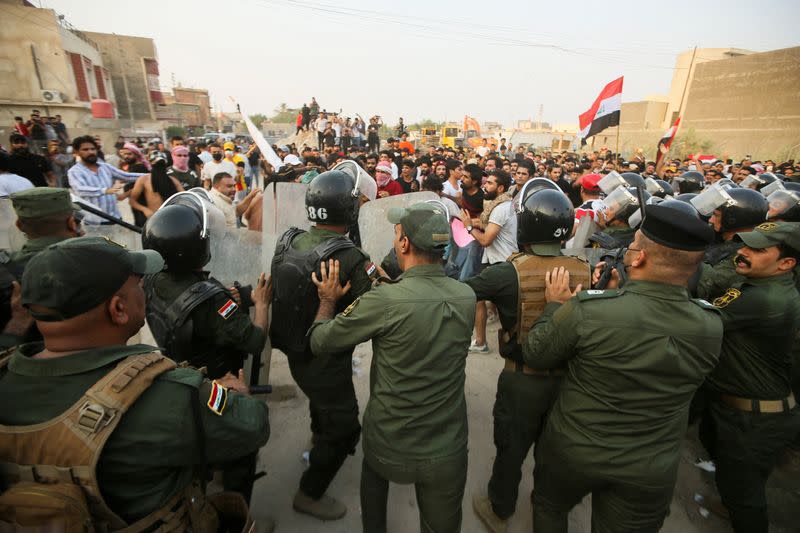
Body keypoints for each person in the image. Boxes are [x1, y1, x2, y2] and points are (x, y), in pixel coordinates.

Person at [0, 236, 269, 529]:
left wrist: (15, 328)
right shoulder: (170, 395)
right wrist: (239, 393)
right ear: (118, 309)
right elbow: (253, 426)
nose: (146, 286)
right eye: (137, 284)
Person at [523, 204, 721, 533]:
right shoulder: (712, 324)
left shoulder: (589, 311)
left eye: (631, 246)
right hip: (651, 465)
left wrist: (555, 307)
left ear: (638, 258)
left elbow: (537, 354)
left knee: (549, 507)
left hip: (575, 450)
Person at [309, 203, 476, 533]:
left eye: (397, 233)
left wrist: (327, 300)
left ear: (403, 245)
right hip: (447, 446)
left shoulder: (384, 301)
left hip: (388, 441)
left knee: (374, 492)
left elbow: (320, 341)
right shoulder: (466, 296)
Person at [467, 188, 590, 533]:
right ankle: (546, 509)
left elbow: (461, 293)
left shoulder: (508, 273)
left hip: (522, 380)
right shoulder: (585, 269)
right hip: (570, 382)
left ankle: (499, 509)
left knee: (511, 448)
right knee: (554, 452)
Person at [269, 169, 373, 520]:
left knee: (321, 403)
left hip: (293, 351)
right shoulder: (350, 258)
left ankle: (318, 436)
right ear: (349, 210)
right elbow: (373, 308)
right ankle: (309, 493)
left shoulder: (287, 239)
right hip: (326, 360)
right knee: (346, 427)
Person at [699, 221, 800, 533]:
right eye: (744, 245)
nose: (742, 253)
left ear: (786, 263)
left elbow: (699, 321)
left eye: (758, 249)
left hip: (753, 418)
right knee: (732, 474)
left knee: (746, 497)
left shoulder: (768, 299)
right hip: (740, 408)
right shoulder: (758, 283)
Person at [458, 169, 517, 354]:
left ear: (500, 188)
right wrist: (471, 222)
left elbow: (485, 240)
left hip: (502, 263)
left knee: (498, 304)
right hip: (495, 260)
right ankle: (482, 341)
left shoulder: (500, 208)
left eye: (490, 183)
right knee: (479, 299)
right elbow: (487, 224)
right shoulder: (500, 205)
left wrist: (468, 226)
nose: (485, 185)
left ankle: (494, 342)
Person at [694, 187, 768, 300]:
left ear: (732, 219)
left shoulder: (745, 252)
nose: (711, 220)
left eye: (716, 215)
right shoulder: (719, 238)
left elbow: (710, 284)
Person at [67, 136, 145, 225]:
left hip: (115, 218)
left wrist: (151, 175)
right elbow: (81, 190)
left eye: (93, 149)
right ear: (77, 152)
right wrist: (105, 190)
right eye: (85, 150)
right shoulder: (74, 171)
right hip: (95, 222)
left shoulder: (105, 167)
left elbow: (126, 176)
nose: (91, 152)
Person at [129, 153, 184, 224]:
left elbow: (184, 197)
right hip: (154, 220)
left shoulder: (173, 181)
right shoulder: (144, 180)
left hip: (171, 218)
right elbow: (132, 201)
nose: (159, 167)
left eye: (161, 164)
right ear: (151, 163)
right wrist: (145, 209)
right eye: (157, 163)